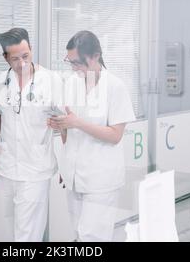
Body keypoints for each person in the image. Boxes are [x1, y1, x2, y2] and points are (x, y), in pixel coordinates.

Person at [48, 30, 136, 242]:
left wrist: (77, 122)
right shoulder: (71, 83)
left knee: (92, 236)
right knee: (78, 232)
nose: (74, 68)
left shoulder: (115, 87)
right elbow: (67, 128)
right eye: (70, 62)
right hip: (74, 176)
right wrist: (61, 130)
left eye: (78, 62)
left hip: (101, 178)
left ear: (96, 56)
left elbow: (115, 135)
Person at [0, 27, 62, 242]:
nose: (22, 63)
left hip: (36, 169)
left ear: (31, 50)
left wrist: (68, 163)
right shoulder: (0, 81)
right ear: (5, 57)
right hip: (6, 167)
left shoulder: (51, 80)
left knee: (27, 236)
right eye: (15, 59)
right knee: (11, 231)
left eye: (26, 56)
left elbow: (66, 124)